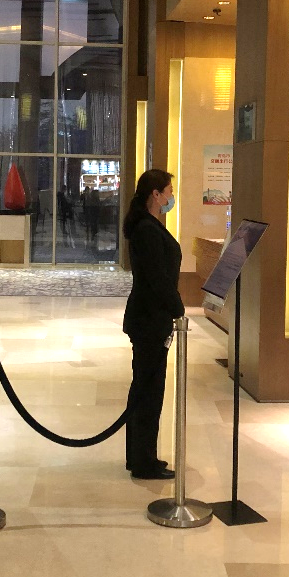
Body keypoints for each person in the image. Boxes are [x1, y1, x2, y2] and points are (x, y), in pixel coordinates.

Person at [121, 169, 183, 480]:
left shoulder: (149, 225)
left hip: (150, 317)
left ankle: (141, 455)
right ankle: (143, 461)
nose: (172, 196)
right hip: (149, 319)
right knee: (148, 391)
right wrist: (178, 308)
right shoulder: (146, 229)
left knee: (146, 388)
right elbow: (157, 278)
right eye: (169, 191)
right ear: (155, 195)